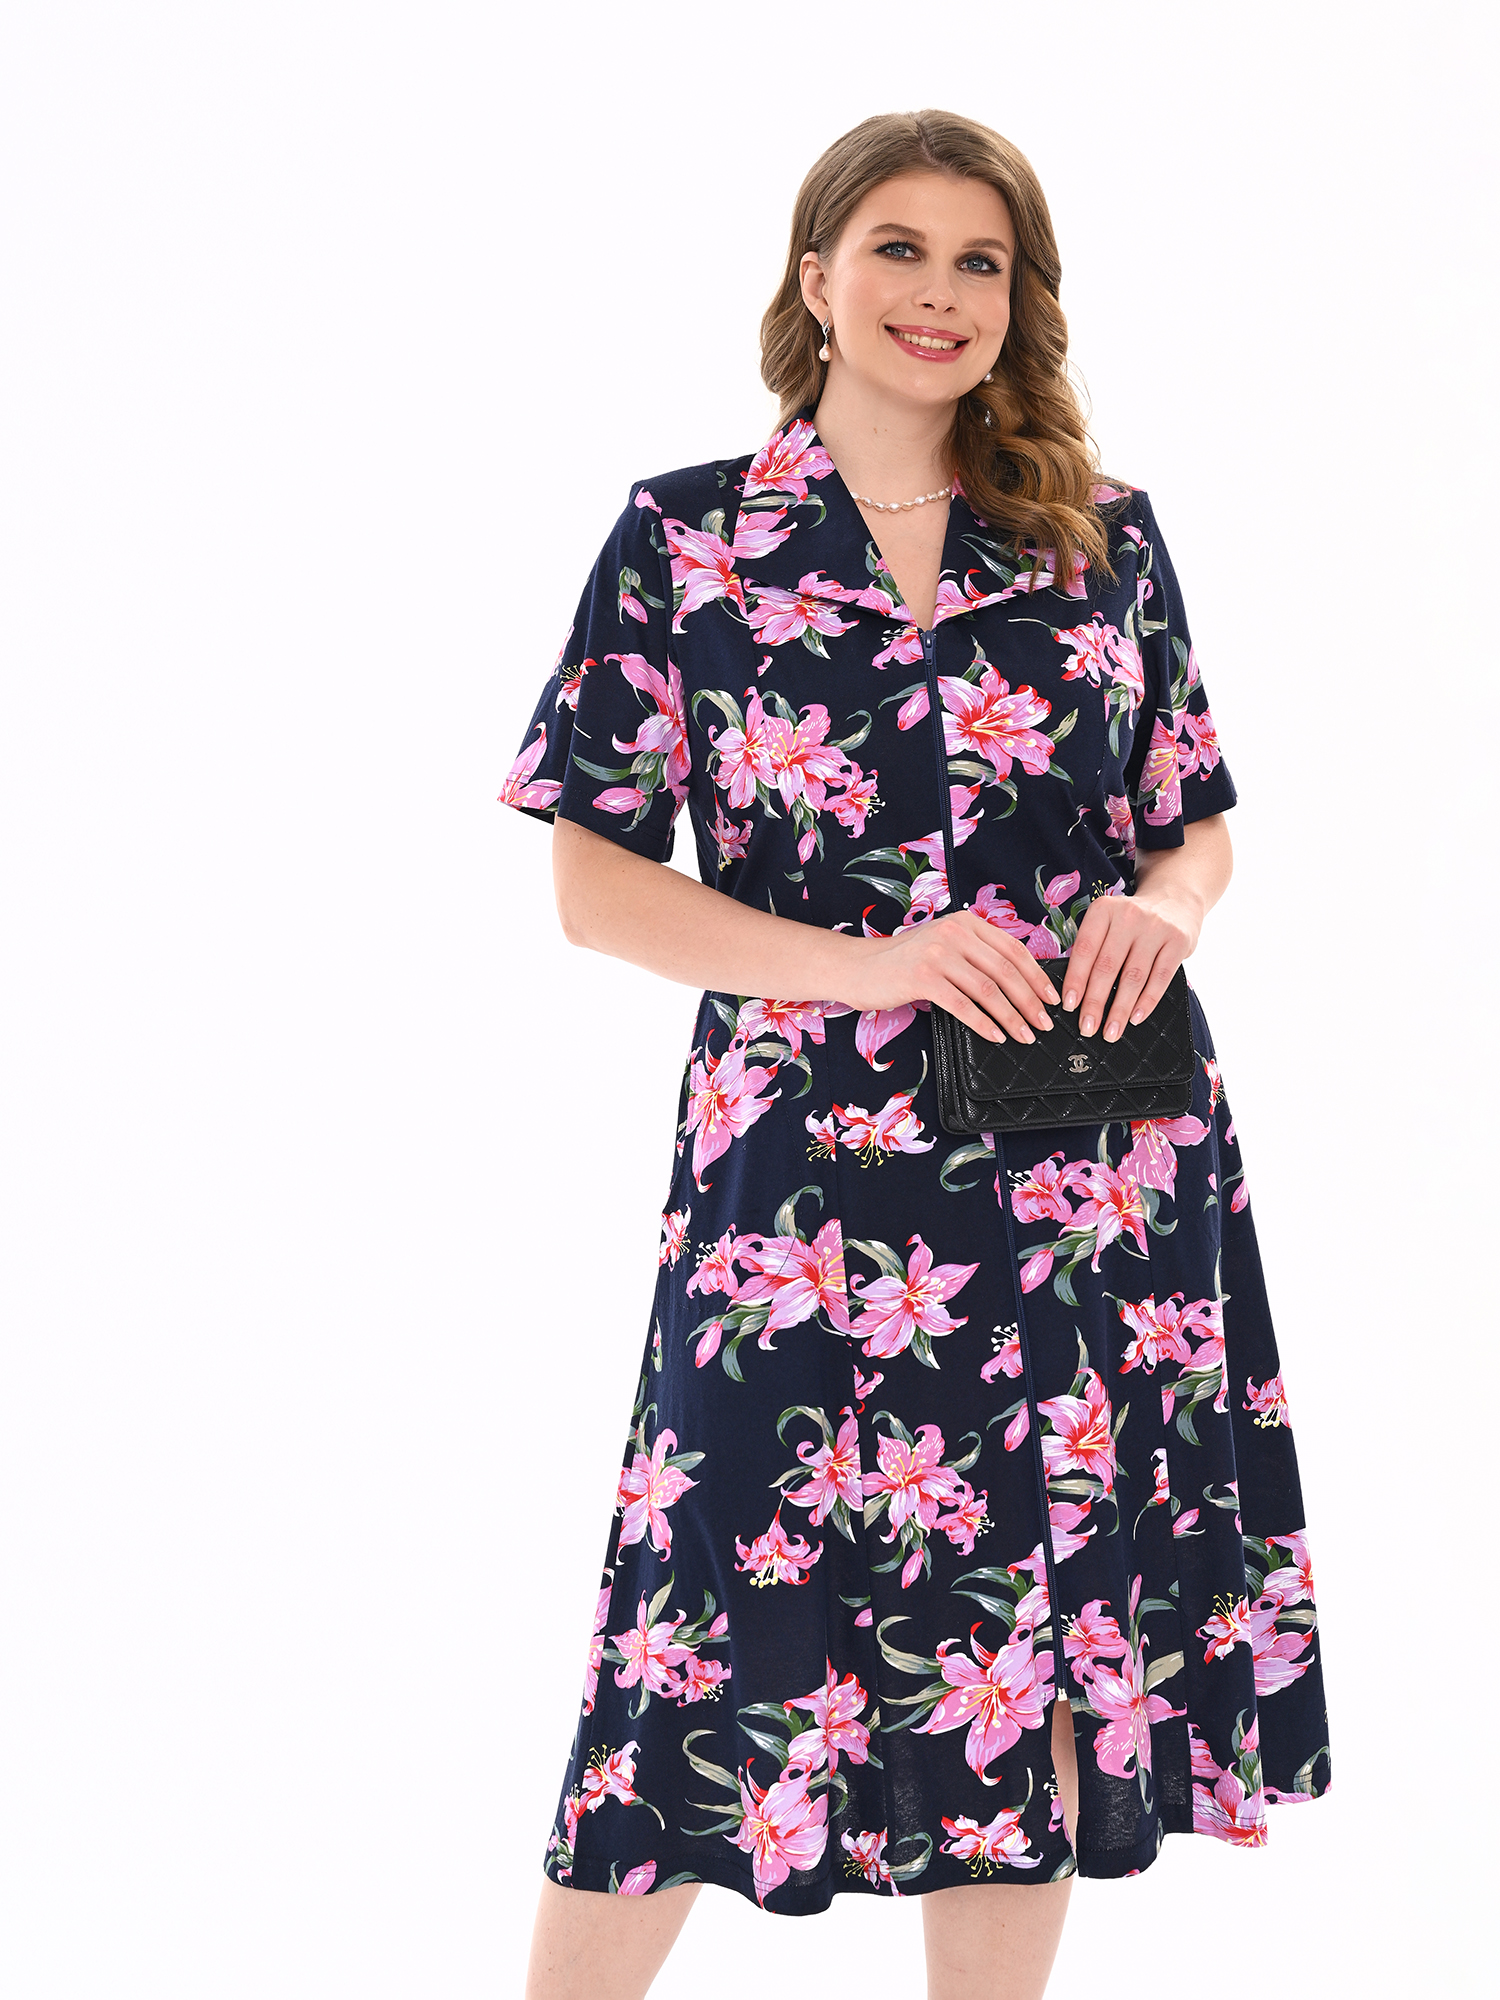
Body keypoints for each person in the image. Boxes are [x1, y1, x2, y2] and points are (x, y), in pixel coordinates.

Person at [500, 108, 1330, 2000]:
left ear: (1020, 298)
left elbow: (1194, 815)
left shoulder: (1103, 534)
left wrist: (1173, 906)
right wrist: (869, 960)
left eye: (981, 261)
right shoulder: (687, 539)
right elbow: (597, 891)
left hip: (1095, 1161)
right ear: (816, 275)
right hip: (803, 1189)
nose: (939, 294)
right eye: (899, 248)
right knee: (705, 1634)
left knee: (1047, 1638)